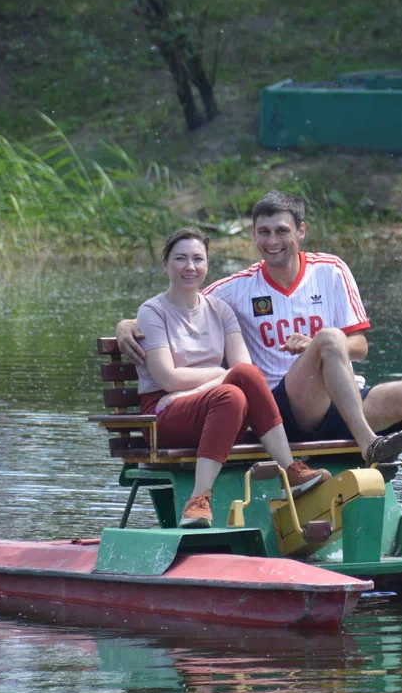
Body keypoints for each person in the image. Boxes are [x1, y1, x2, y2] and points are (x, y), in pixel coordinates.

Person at [118, 191, 402, 527]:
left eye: (281, 231)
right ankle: (370, 445)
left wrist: (317, 346)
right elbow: (182, 296)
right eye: (263, 233)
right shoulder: (238, 287)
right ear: (254, 236)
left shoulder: (332, 270)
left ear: (301, 232)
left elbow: (361, 346)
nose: (272, 241)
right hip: (283, 408)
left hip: (345, 402)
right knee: (328, 339)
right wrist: (128, 324)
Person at [134, 226, 331, 529]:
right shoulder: (153, 312)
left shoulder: (220, 309)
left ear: (207, 266)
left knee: (237, 390)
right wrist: (220, 375)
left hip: (217, 410)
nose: (190, 267)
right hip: (164, 415)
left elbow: (245, 370)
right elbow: (167, 379)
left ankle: (288, 472)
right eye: (180, 259)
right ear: (165, 264)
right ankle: (200, 500)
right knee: (233, 391)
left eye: (198, 259)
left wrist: (215, 380)